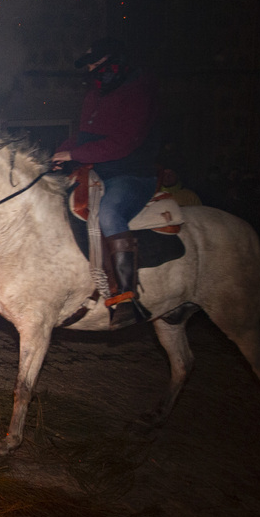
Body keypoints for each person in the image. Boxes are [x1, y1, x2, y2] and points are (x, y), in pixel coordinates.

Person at [50, 39, 160, 330]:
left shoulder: (138, 89)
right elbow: (84, 137)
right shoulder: (95, 94)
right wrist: (62, 152)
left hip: (131, 173)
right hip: (96, 171)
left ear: (113, 62)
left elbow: (125, 142)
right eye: (88, 66)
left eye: (95, 65)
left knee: (110, 213)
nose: (90, 71)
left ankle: (125, 297)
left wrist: (74, 154)